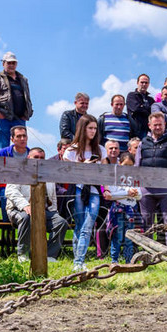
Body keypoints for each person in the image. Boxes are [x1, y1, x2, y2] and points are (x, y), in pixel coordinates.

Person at [3, 147, 68, 263]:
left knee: (61, 222)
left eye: (42, 158)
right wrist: (25, 205)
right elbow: (10, 191)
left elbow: (52, 197)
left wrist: (54, 212)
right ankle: (23, 254)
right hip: (17, 210)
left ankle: (49, 255)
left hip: (42, 211)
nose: (39, 160)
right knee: (26, 217)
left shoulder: (48, 175)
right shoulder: (19, 171)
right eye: (36, 157)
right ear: (28, 158)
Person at [62, 114, 106, 271]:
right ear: (82, 129)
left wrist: (105, 188)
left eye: (95, 128)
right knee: (80, 226)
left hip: (94, 190)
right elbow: (66, 174)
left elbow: (105, 174)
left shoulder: (101, 150)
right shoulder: (71, 151)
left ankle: (79, 262)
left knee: (88, 225)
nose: (93, 131)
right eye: (90, 128)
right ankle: (78, 261)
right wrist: (82, 165)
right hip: (78, 189)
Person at [135, 112, 167, 250]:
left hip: (166, 188)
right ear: (149, 125)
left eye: (160, 125)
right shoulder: (142, 143)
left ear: (165, 125)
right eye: (155, 125)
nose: (157, 127)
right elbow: (137, 166)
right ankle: (148, 249)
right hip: (146, 188)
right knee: (146, 220)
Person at [0, 125, 30, 221]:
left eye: (24, 136)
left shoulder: (31, 154)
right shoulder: (3, 154)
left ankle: (28, 225)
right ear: (12, 139)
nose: (22, 139)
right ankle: (7, 227)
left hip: (26, 188)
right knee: (5, 195)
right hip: (6, 187)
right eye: (19, 136)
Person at [0, 51, 33, 149]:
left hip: (20, 118)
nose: (11, 65)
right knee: (3, 147)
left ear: (16, 64)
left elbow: (27, 97)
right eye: (9, 63)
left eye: (13, 63)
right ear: (3, 63)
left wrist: (28, 113)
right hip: (4, 118)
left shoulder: (23, 79)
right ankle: (2, 164)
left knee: (21, 146)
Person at [103, 152, 142, 263]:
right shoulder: (115, 178)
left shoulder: (135, 179)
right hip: (118, 211)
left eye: (131, 166)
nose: (128, 168)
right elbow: (111, 195)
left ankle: (128, 261)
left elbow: (139, 195)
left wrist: (133, 193)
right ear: (119, 164)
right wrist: (127, 192)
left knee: (129, 237)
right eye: (125, 165)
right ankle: (114, 260)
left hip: (131, 211)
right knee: (118, 236)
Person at [126, 73, 153, 138]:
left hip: (148, 130)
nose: (144, 84)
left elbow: (153, 112)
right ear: (137, 83)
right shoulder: (131, 95)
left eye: (146, 83)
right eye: (142, 82)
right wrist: (147, 110)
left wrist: (142, 107)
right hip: (135, 131)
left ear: (148, 84)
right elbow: (136, 109)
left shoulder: (151, 99)